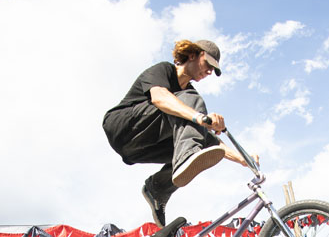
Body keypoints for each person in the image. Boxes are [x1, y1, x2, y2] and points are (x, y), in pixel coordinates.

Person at [102, 39, 251, 226]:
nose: (209, 72)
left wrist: (243, 159)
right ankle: (187, 156)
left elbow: (212, 141)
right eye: (208, 65)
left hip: (138, 148)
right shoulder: (164, 70)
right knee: (189, 104)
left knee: (203, 140)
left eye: (213, 70)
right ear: (193, 55)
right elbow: (160, 98)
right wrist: (199, 117)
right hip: (122, 127)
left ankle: (157, 188)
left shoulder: (189, 96)